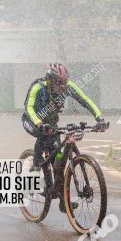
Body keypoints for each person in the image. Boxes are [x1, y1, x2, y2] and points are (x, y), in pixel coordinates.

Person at [22, 63, 107, 212]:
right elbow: (28, 107)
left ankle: (63, 201)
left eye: (64, 83)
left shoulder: (68, 86)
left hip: (52, 124)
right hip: (32, 120)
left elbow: (85, 100)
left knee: (58, 161)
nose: (63, 87)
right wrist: (39, 123)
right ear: (50, 80)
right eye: (59, 83)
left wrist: (99, 118)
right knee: (43, 137)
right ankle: (35, 171)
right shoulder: (38, 87)